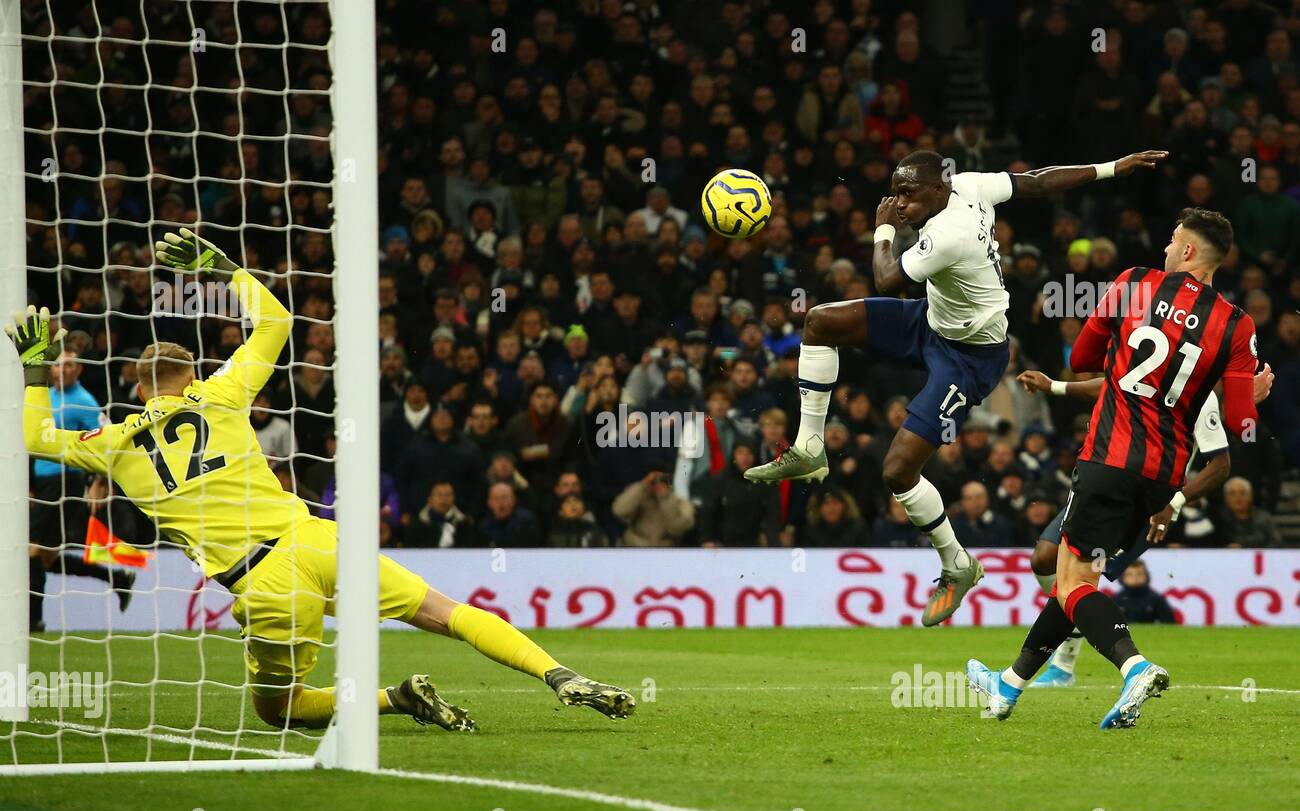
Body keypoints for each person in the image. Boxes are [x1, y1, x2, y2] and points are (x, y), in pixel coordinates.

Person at [8, 229, 633, 732]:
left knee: (279, 712)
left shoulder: (115, 443)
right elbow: (277, 323)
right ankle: (558, 675)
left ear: (135, 388)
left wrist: (36, 373)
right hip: (318, 540)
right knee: (447, 612)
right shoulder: (220, 395)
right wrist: (225, 270)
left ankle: (396, 698)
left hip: (262, 581)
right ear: (192, 372)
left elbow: (35, 439)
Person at [745, 147, 1169, 626]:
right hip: (931, 321)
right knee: (820, 322)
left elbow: (886, 277)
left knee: (897, 472)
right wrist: (1110, 166)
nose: (900, 203)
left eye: (907, 194)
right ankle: (809, 444)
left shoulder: (949, 234)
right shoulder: (969, 184)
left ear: (935, 188)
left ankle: (957, 565)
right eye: (895, 195)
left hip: (970, 358)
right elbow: (1038, 179)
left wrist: (884, 227)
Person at [967, 208, 1270, 728]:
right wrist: (1252, 393)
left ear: (1190, 252)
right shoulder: (1238, 325)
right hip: (1163, 478)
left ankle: (1134, 667)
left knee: (1073, 583)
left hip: (1109, 458)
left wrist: (1123, 344)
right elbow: (1242, 422)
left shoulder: (1134, 283)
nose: (1167, 247)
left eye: (1174, 240)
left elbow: (1085, 357)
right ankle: (1008, 686)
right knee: (1073, 577)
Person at [1014, 365, 1267, 687]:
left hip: (1146, 504)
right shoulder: (1149, 371)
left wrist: (1173, 504)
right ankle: (1030, 673)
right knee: (1045, 559)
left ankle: (1064, 667)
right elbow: (1109, 385)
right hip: (1106, 484)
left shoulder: (1199, 399)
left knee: (1077, 584)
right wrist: (1055, 386)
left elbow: (1219, 465)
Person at [27, 349, 135, 631]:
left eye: (69, 365)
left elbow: (107, 441)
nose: (61, 370)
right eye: (58, 365)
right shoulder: (46, 396)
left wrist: (99, 481)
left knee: (30, 549)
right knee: (46, 558)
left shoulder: (84, 401)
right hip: (44, 482)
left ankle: (32, 621)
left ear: (79, 370)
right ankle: (116, 578)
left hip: (67, 481)